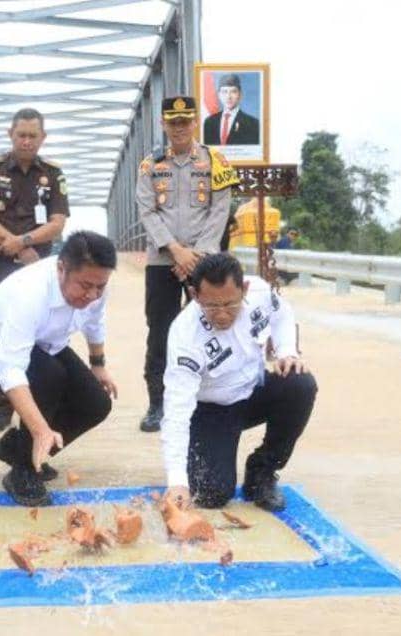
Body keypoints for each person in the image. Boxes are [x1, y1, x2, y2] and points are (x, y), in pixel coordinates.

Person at [160, 253, 317, 512]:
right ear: (195, 294)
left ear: (243, 289)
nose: (222, 315)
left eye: (231, 305)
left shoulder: (259, 292)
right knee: (212, 493)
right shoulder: (184, 335)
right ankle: (202, 457)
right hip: (211, 411)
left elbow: (283, 314)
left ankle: (262, 471)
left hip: (253, 392)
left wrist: (287, 351)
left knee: (300, 383)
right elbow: (176, 410)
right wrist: (177, 481)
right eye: (211, 306)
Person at [0, 231, 118, 507]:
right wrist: (40, 430)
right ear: (61, 268)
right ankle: (23, 470)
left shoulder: (97, 285)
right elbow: (12, 370)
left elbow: (95, 322)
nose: (92, 295)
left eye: (99, 287)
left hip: (49, 342)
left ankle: (14, 446)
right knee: (49, 377)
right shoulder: (31, 292)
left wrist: (98, 365)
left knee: (96, 402)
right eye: (85, 286)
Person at [136, 95, 240, 433]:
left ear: (195, 122)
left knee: (211, 323)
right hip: (162, 260)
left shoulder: (216, 161)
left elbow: (220, 210)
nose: (179, 128)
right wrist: (176, 251)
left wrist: (198, 254)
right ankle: (158, 403)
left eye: (185, 121)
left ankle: (211, 397)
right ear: (164, 124)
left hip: (205, 260)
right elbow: (147, 211)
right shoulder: (150, 164)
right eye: (173, 122)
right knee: (160, 329)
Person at [0, 108, 69, 433]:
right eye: (21, 135)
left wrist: (25, 242)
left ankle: (33, 402)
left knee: (38, 333)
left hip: (39, 269)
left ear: (43, 138)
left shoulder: (53, 174)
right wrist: (13, 244)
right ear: (10, 134)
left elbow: (57, 223)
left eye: (33, 135)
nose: (27, 141)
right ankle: (0, 404)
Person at [202, 74, 260, 146]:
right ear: (219, 95)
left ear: (240, 94)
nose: (228, 96)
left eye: (233, 91)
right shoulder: (209, 122)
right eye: (225, 92)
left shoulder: (253, 124)